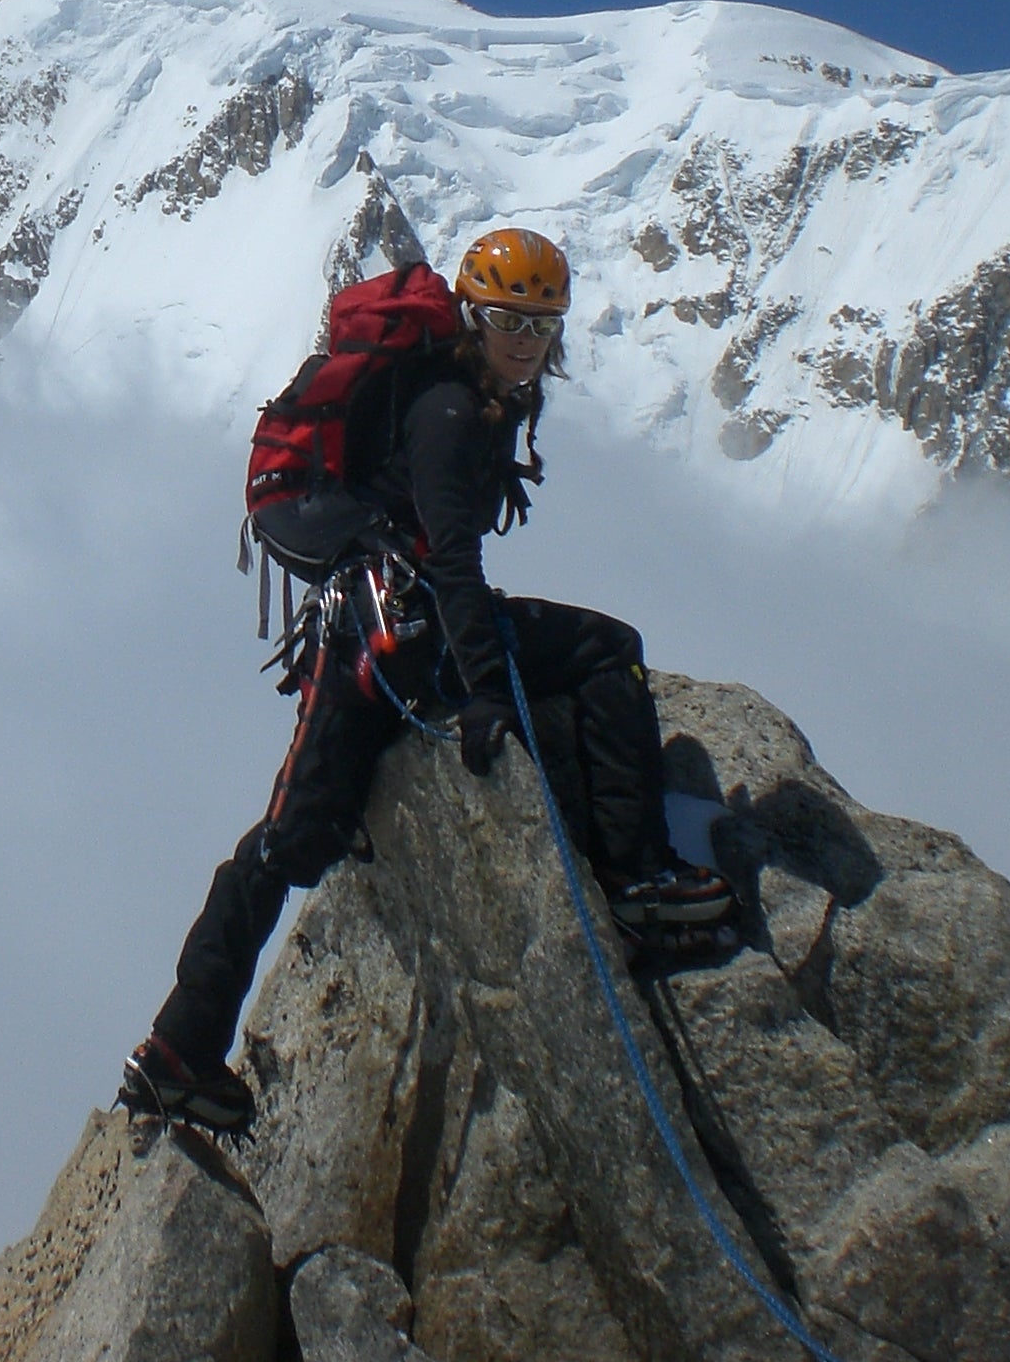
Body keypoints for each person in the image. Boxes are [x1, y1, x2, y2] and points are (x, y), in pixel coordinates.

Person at [118, 227, 734, 1138]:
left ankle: (183, 1047)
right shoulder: (453, 413)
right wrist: (487, 690)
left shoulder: (466, 394)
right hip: (406, 638)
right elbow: (453, 556)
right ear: (470, 319)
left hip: (376, 635)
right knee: (605, 653)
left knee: (292, 840)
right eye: (504, 321)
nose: (524, 342)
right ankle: (638, 875)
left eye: (539, 325)